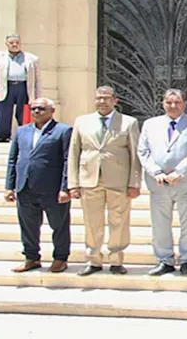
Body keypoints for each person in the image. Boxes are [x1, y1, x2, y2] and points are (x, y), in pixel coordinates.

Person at [68, 86, 141, 276]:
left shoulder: (128, 122)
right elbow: (74, 153)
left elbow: (135, 154)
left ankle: (116, 259)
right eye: (99, 98)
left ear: (115, 100)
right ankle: (94, 260)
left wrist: (134, 183)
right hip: (89, 179)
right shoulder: (82, 122)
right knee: (92, 222)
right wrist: (73, 183)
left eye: (106, 98)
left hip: (118, 181)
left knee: (119, 221)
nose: (102, 102)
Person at [138, 89, 187, 277]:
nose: (173, 106)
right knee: (160, 224)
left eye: (177, 102)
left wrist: (180, 172)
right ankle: (164, 260)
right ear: (163, 103)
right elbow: (143, 151)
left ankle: (186, 261)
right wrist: (156, 172)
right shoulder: (150, 124)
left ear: (185, 104)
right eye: (169, 102)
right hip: (159, 183)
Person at [4, 98, 71, 273]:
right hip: (25, 187)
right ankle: (31, 258)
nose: (36, 112)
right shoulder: (22, 131)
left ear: (52, 111)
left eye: (41, 108)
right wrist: (9, 186)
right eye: (33, 108)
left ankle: (60, 258)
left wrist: (65, 188)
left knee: (59, 225)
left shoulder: (63, 131)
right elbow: (13, 159)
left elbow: (68, 161)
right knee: (28, 227)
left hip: (52, 189)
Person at [0, 34, 42, 143]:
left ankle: (25, 135)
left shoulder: (31, 58)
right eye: (11, 43)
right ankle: (2, 136)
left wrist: (38, 94)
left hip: (23, 87)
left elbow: (38, 78)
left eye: (17, 42)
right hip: (5, 86)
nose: (14, 45)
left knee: (24, 113)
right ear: (6, 44)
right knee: (3, 113)